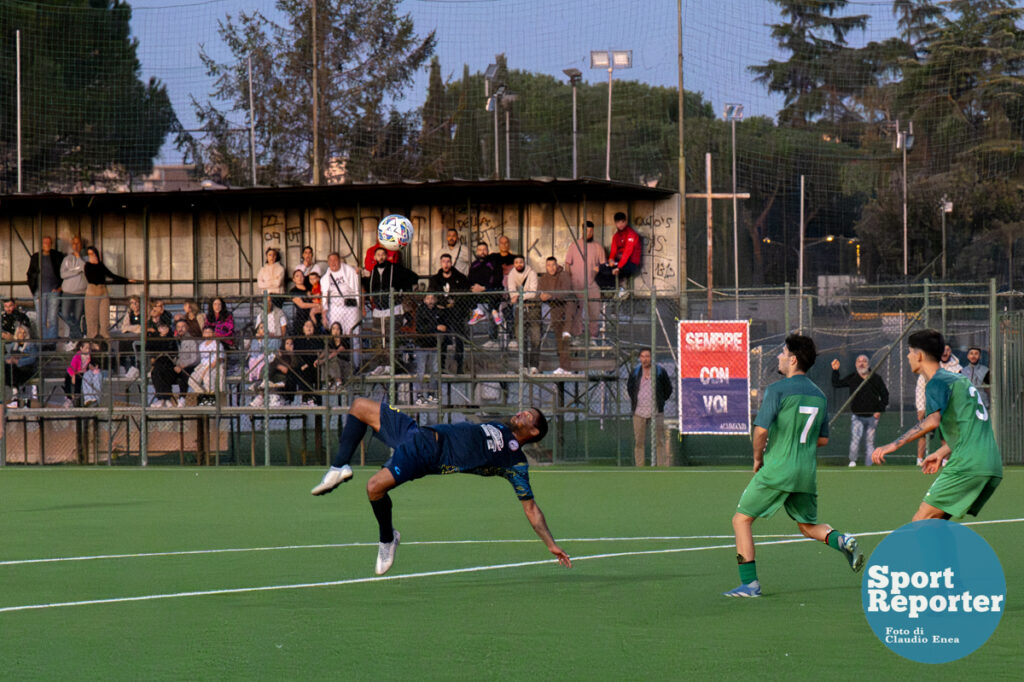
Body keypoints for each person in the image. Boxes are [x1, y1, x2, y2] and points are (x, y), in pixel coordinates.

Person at [310, 398, 571, 575]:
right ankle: (338, 467)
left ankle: (388, 538)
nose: (522, 413)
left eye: (529, 416)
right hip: (418, 433)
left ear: (534, 432)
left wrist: (550, 543)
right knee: (359, 406)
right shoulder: (501, 426)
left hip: (429, 454)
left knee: (374, 487)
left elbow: (531, 508)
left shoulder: (515, 463)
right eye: (525, 410)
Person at [724, 334, 864, 598]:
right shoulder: (819, 395)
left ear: (793, 360)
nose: (779, 356)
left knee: (741, 519)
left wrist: (757, 459)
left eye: (783, 352)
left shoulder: (777, 390)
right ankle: (842, 540)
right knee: (807, 526)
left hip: (778, 469)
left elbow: (761, 432)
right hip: (805, 473)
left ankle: (749, 585)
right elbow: (821, 439)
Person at [871, 329, 1002, 521]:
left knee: (921, 521)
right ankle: (949, 553)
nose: (908, 356)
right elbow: (970, 428)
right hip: (990, 462)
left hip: (968, 462)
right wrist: (941, 453)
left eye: (909, 351)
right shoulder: (959, 380)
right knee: (936, 522)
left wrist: (892, 445)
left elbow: (932, 421)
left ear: (920, 355)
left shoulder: (936, 382)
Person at [830, 355, 889, 467]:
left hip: (872, 417)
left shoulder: (876, 378)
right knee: (855, 440)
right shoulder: (853, 378)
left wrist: (879, 410)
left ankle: (869, 464)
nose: (861, 363)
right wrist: (835, 370)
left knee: (870, 442)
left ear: (869, 364)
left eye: (864, 361)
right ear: (856, 364)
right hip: (857, 416)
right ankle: (852, 461)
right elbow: (836, 384)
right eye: (859, 361)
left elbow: (885, 395)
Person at [913, 343, 961, 465]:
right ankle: (919, 460)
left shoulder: (957, 368)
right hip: (930, 407)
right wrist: (921, 408)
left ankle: (945, 460)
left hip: (948, 408)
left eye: (948, 350)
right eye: (942, 350)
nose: (945, 352)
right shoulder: (929, 366)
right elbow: (920, 387)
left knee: (946, 435)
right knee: (923, 433)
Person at [626, 348, 674, 466]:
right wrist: (636, 401)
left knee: (659, 440)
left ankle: (661, 466)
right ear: (640, 358)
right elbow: (630, 388)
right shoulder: (635, 372)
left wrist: (661, 401)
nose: (645, 359)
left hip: (656, 411)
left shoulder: (659, 372)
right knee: (639, 442)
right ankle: (640, 466)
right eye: (642, 356)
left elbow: (668, 389)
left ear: (652, 358)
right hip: (639, 412)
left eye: (647, 356)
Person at [427, 253, 470, 374]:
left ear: (451, 263)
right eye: (444, 262)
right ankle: (441, 367)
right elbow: (433, 294)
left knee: (459, 339)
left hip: (457, 313)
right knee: (442, 338)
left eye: (448, 262)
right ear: (441, 263)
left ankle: (459, 366)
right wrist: (444, 303)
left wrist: (454, 302)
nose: (446, 264)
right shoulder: (435, 279)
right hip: (441, 314)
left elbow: (465, 294)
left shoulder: (460, 278)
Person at [563, 221, 605, 341]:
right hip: (576, 284)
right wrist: (569, 281)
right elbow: (567, 263)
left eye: (591, 231)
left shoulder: (598, 247)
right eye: (587, 231)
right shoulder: (574, 245)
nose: (589, 233)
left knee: (595, 311)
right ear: (582, 230)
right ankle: (577, 337)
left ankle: (593, 338)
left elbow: (603, 266)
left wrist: (598, 275)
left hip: (593, 284)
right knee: (577, 311)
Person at [83, 245, 136, 339]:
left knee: (104, 317)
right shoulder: (87, 266)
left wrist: (127, 280)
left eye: (93, 253)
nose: (92, 256)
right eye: (89, 254)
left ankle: (105, 339)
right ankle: (92, 339)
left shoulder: (101, 265)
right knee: (92, 318)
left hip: (102, 291)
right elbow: (90, 278)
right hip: (92, 291)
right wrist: (92, 263)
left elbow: (111, 275)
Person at [537, 256, 575, 372]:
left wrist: (551, 295)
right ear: (546, 266)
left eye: (553, 265)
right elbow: (539, 292)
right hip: (555, 307)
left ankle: (566, 367)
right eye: (549, 265)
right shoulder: (543, 278)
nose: (551, 268)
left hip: (568, 304)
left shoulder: (563, 275)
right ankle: (563, 367)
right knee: (559, 338)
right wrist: (542, 296)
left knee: (565, 336)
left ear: (557, 265)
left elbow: (566, 292)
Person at [321, 252, 362, 359]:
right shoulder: (326, 277)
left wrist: (360, 306)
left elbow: (358, 288)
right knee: (336, 335)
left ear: (339, 261)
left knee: (354, 335)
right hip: (336, 308)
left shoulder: (349, 270)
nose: (333, 263)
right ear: (328, 262)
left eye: (335, 260)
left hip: (350, 306)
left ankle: (356, 363)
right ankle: (339, 360)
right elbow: (324, 296)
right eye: (331, 261)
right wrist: (324, 314)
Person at [506, 255, 541, 372]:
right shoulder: (511, 275)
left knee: (535, 338)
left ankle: (534, 365)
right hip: (520, 308)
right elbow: (512, 292)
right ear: (514, 264)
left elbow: (533, 292)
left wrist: (519, 296)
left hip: (533, 307)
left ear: (524, 263)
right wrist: (520, 296)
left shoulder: (531, 273)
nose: (519, 264)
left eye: (521, 262)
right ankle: (524, 365)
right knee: (521, 338)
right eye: (516, 262)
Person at [26, 236, 64, 341]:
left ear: (51, 244)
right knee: (40, 319)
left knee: (52, 318)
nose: (47, 244)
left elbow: (63, 273)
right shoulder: (35, 257)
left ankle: (51, 342)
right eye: (44, 242)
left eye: (48, 242)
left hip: (54, 291)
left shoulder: (57, 256)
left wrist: (60, 288)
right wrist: (34, 290)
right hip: (39, 292)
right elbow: (29, 274)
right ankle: (42, 342)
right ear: (41, 244)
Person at [467, 242, 504, 348]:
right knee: (465, 293)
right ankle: (478, 312)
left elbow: (497, 278)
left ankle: (493, 335)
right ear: (477, 251)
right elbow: (470, 278)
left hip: (490, 290)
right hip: (477, 292)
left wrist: (484, 288)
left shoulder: (493, 263)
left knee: (495, 292)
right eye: (480, 249)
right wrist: (475, 287)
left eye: (484, 249)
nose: (482, 252)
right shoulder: (474, 265)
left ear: (488, 251)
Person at [59, 235, 88, 342]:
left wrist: (78, 257)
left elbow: (85, 269)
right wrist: (77, 270)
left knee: (77, 317)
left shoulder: (85, 258)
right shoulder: (66, 259)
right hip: (67, 292)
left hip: (81, 293)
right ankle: (78, 334)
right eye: (74, 243)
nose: (76, 245)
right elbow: (63, 274)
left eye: (78, 243)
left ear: (81, 245)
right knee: (65, 314)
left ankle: (74, 341)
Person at [607, 212, 641, 297]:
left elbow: (627, 253)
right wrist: (611, 259)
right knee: (604, 267)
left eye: (622, 222)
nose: (620, 224)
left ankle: (623, 288)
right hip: (621, 262)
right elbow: (613, 251)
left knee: (619, 269)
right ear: (615, 223)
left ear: (625, 222)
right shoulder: (616, 236)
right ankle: (613, 288)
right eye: (618, 222)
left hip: (632, 264)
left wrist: (618, 267)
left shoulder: (631, 234)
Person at [4, 325, 38, 408]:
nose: (22, 335)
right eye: (20, 333)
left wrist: (18, 362)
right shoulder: (13, 345)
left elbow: (32, 359)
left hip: (27, 369)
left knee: (13, 369)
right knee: (7, 367)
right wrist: (9, 360)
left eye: (24, 333)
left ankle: (15, 392)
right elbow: (7, 357)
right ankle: (15, 391)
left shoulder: (31, 345)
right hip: (15, 370)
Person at [189, 325, 225, 397]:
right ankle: (204, 394)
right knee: (192, 380)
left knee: (208, 378)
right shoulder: (202, 345)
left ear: (213, 333)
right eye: (205, 332)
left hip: (214, 366)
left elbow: (219, 358)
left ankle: (211, 397)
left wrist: (206, 370)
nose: (207, 334)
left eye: (209, 332)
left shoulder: (217, 344)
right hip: (203, 365)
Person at [147, 321, 177, 407]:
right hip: (157, 362)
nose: (163, 330)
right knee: (156, 373)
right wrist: (153, 358)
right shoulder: (154, 338)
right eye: (161, 328)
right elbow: (150, 350)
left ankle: (166, 397)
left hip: (168, 362)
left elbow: (174, 352)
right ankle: (161, 398)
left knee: (166, 373)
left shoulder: (171, 338)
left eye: (165, 328)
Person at [117, 295, 142, 379]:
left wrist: (130, 328)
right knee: (123, 341)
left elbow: (142, 328)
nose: (134, 305)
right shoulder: (129, 314)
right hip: (130, 337)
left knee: (132, 343)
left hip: (139, 338)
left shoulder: (143, 314)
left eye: (136, 303)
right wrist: (135, 327)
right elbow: (124, 328)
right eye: (132, 303)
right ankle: (122, 365)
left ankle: (134, 366)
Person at [63, 340, 92, 408]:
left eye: (89, 348)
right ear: (81, 348)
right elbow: (72, 367)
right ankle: (70, 398)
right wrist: (73, 376)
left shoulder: (88, 356)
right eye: (86, 348)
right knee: (71, 382)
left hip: (81, 373)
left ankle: (78, 398)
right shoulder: (77, 356)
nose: (88, 350)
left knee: (79, 382)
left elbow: (88, 365)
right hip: (73, 373)